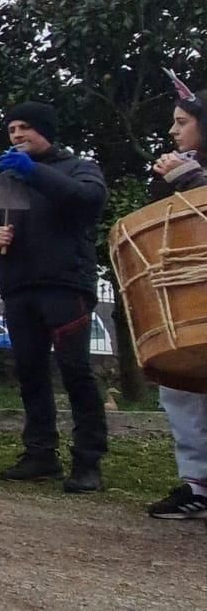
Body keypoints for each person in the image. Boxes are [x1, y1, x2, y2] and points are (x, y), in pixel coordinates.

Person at [0, 101, 109, 493]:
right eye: (12, 129)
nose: (16, 136)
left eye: (24, 128)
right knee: (30, 373)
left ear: (46, 131)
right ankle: (40, 453)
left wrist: (37, 174)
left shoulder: (79, 168)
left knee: (76, 372)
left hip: (66, 286)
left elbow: (88, 201)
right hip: (19, 286)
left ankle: (88, 461)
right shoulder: (4, 181)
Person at [135, 72, 207, 519]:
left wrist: (197, 180)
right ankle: (197, 484)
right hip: (191, 299)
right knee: (181, 388)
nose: (173, 131)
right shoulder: (175, 173)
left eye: (181, 121)